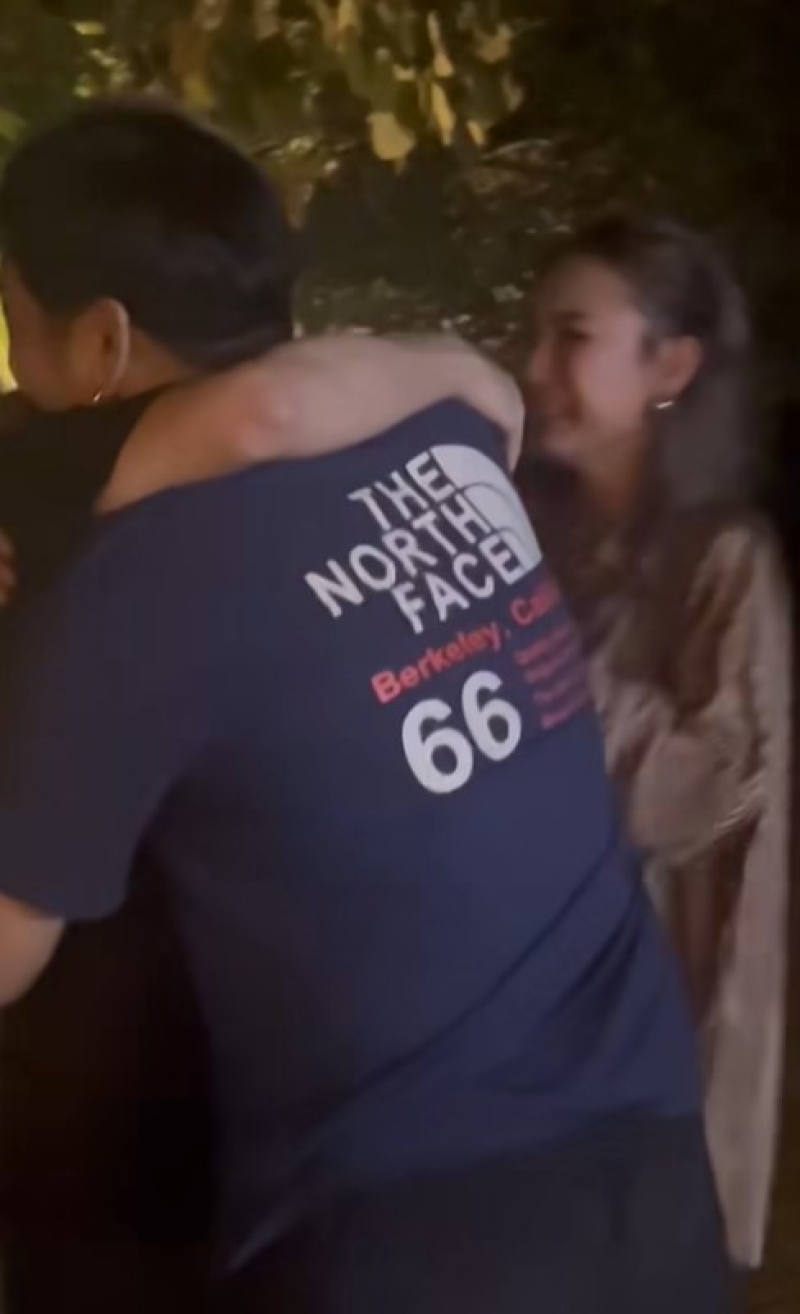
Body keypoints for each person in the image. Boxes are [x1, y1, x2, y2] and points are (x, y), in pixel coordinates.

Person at [0, 101, 733, 1313]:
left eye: (18, 324)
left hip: (419, 1234)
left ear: (103, 341)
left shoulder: (136, 583)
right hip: (647, 1173)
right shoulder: (447, 440)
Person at [516, 214, 791, 1275]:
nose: (534, 368)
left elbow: (707, 796)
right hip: (517, 1025)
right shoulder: (530, 531)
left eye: (571, 337)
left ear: (669, 367)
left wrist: (540, 655)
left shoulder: (723, 560)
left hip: (643, 1051)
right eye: (534, 335)